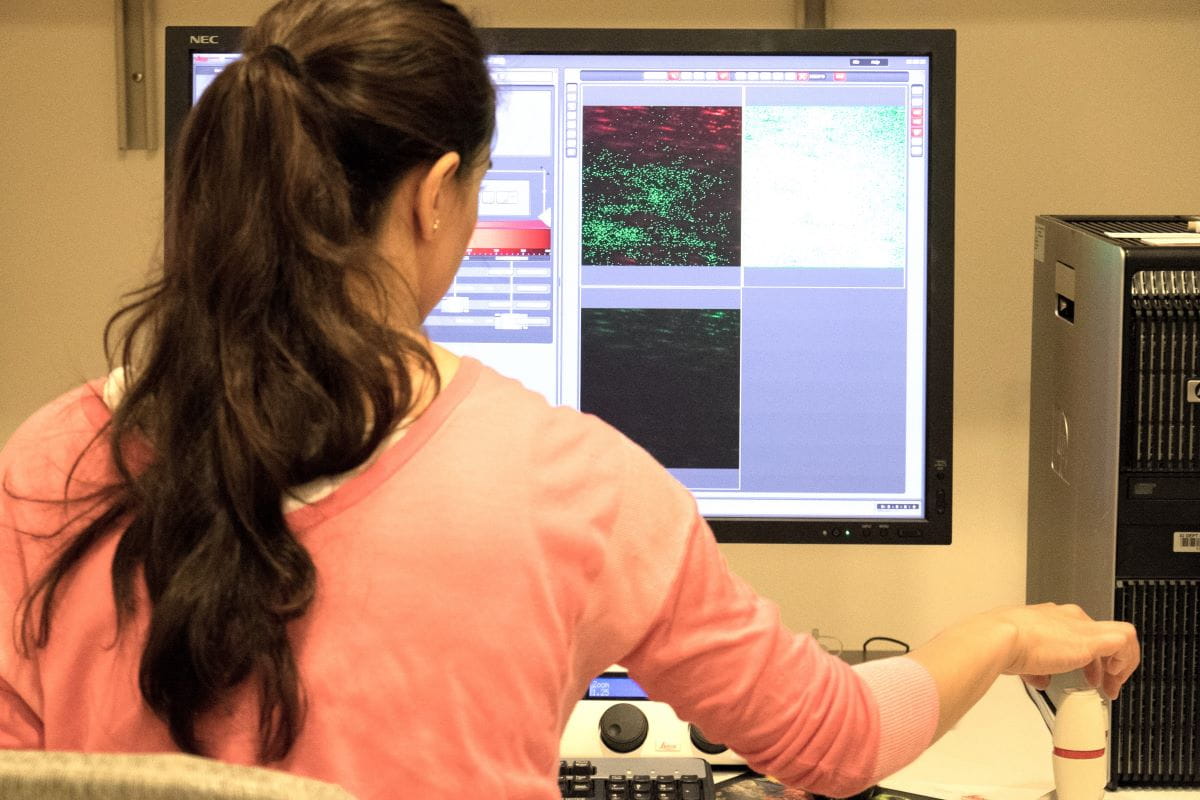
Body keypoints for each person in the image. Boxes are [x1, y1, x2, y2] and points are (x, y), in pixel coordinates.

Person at [0, 0, 1138, 798]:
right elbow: (832, 739)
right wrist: (998, 632)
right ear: (437, 197)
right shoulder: (571, 487)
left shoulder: (47, 461)